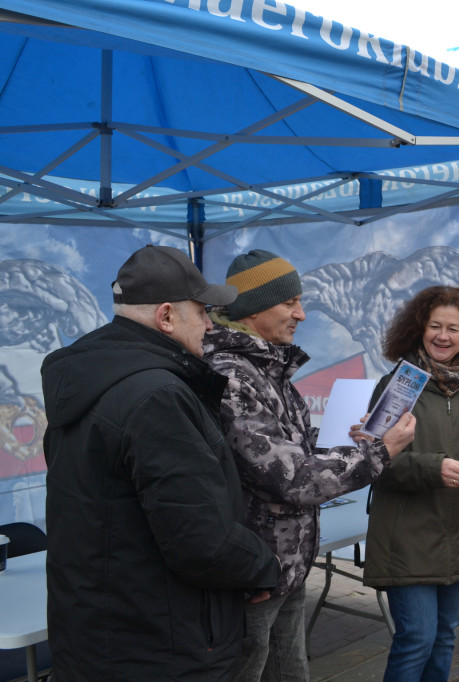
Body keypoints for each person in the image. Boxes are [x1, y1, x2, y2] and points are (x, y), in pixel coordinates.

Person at [40, 245, 281, 680]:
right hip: (161, 646)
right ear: (166, 316)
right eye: (203, 311)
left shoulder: (92, 381)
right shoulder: (156, 396)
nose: (210, 324)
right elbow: (200, 540)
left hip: (101, 638)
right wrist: (262, 566)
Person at [203, 249, 416, 681]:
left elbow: (296, 448)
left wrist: (353, 442)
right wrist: (378, 453)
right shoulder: (231, 377)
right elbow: (293, 478)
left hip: (286, 568)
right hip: (254, 576)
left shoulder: (266, 370)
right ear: (253, 307)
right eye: (290, 302)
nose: (301, 313)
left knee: (291, 671)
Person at [360, 285, 459, 682]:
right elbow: (375, 461)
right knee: (416, 638)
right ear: (420, 328)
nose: (443, 336)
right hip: (407, 537)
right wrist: (434, 469)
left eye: (454, 328)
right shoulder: (397, 385)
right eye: (435, 326)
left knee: (445, 636)